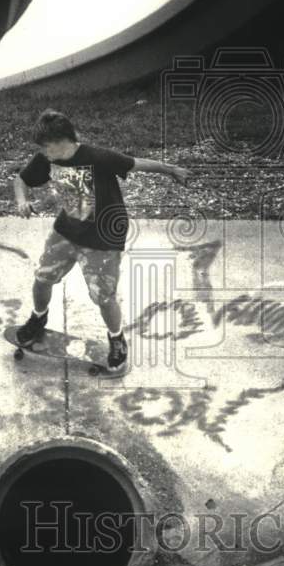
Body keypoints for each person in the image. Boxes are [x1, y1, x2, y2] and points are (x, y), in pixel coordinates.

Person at [13, 108, 189, 372]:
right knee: (42, 278)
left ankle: (117, 339)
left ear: (64, 141)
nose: (45, 153)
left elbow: (136, 163)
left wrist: (171, 169)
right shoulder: (46, 159)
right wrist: (22, 200)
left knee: (103, 297)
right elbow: (20, 179)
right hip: (66, 231)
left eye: (48, 147)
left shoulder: (97, 157)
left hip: (102, 238)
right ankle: (38, 318)